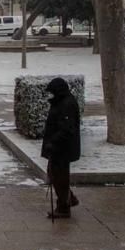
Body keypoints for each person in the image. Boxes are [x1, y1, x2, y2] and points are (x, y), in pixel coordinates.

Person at [41, 77, 81, 219]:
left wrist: (53, 142)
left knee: (59, 177)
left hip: (62, 149)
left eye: (52, 92)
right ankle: (68, 199)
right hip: (59, 148)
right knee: (55, 174)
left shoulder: (67, 104)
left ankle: (64, 206)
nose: (51, 95)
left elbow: (66, 129)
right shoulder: (62, 101)